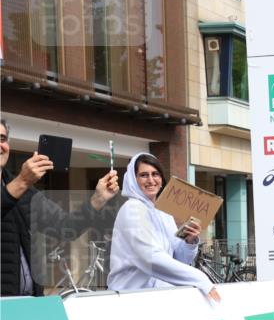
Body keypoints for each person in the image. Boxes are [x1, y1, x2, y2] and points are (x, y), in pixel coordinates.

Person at [1, 119, 120, 296]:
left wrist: (97, 200)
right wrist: (22, 181)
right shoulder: (22, 183)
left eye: (2, 138)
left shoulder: (27, 192)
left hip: (29, 302)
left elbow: (65, 227)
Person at [107, 153, 220, 301]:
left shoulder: (163, 212)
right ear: (133, 180)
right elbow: (150, 258)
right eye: (143, 175)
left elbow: (179, 258)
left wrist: (189, 241)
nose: (151, 180)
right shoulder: (132, 209)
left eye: (155, 174)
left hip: (157, 297)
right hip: (129, 299)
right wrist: (200, 279)